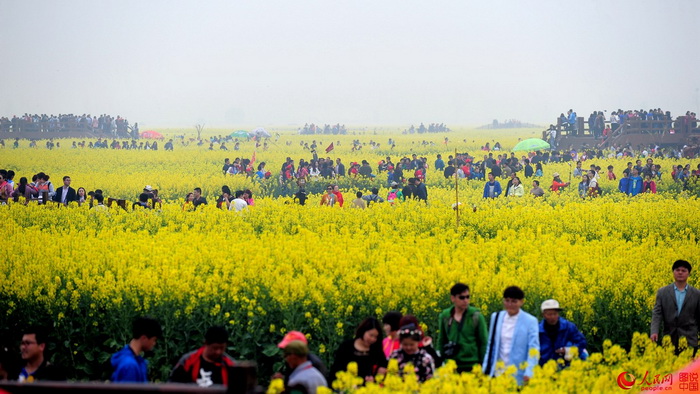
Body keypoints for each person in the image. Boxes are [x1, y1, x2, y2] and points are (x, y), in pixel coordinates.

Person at [483, 286, 539, 385]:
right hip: (497, 373)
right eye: (507, 301)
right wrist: (485, 369)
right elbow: (491, 345)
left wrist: (529, 372)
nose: (510, 304)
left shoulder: (530, 321)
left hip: (518, 374)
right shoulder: (495, 317)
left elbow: (533, 349)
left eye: (514, 301)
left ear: (521, 302)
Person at [437, 283, 488, 373]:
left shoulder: (476, 316)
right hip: (451, 366)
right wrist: (439, 361)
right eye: (462, 297)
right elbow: (441, 340)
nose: (466, 300)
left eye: (468, 297)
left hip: (472, 365)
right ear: (453, 298)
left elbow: (484, 342)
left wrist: (483, 364)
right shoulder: (445, 316)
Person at [650, 260, 700, 352]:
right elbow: (657, 314)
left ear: (689, 274)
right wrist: (654, 332)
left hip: (689, 340)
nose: (680, 272)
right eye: (677, 270)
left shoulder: (697, 294)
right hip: (669, 339)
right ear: (673, 272)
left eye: (683, 270)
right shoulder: (663, 292)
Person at [169, 326, 236, 387]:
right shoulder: (188, 360)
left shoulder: (230, 364)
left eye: (222, 348)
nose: (218, 352)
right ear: (206, 343)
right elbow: (172, 385)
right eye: (215, 348)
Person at [330, 317, 387, 383]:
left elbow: (383, 364)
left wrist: (376, 377)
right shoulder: (346, 346)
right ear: (363, 331)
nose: (373, 339)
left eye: (376, 337)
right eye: (371, 335)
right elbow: (336, 369)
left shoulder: (375, 349)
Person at [111, 317, 162, 383]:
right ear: (144, 338)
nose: (154, 343)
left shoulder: (131, 359)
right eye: (154, 340)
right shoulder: (130, 366)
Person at [538, 300, 588, 366]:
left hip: (566, 365)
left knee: (584, 355)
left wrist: (567, 350)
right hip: (545, 366)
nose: (552, 317)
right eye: (549, 314)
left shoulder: (568, 326)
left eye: (555, 314)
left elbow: (582, 342)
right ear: (543, 315)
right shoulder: (537, 330)